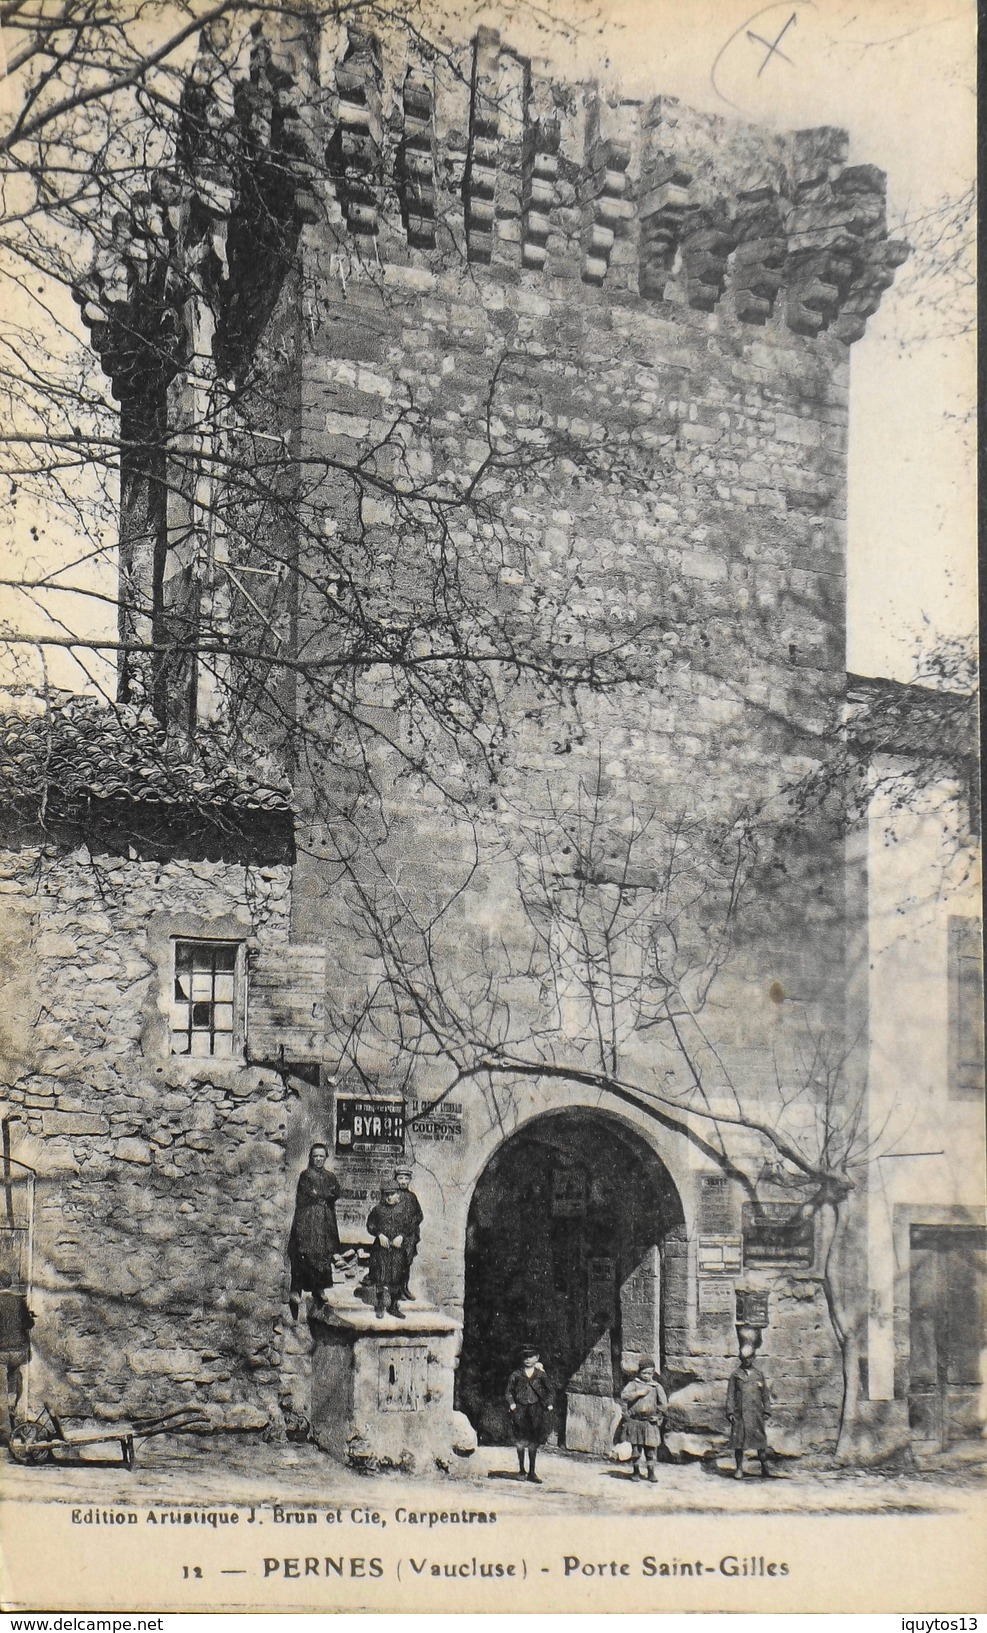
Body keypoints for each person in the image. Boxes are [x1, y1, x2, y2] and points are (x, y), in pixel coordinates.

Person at [287, 1143, 341, 1320]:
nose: (318, 1159)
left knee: (322, 1253)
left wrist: (321, 1194)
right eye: (315, 1156)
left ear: (326, 1158)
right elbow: (307, 1195)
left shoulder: (330, 1176)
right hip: (308, 1220)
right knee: (304, 1252)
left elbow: (335, 1192)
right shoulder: (305, 1175)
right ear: (311, 1157)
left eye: (321, 1156)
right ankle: (296, 1290)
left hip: (324, 1221)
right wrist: (321, 1196)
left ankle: (320, 1288)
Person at [367, 1173, 422, 1319]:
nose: (390, 1197)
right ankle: (379, 1305)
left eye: (393, 1194)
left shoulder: (403, 1211)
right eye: (387, 1194)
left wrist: (402, 1236)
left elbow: (410, 1225)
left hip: (398, 1250)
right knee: (381, 1277)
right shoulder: (377, 1210)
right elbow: (371, 1225)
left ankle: (393, 1306)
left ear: (398, 1194)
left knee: (397, 1277)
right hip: (381, 1250)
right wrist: (379, 1234)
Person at [505, 1346, 555, 1483]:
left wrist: (549, 1403)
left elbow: (550, 1391)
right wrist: (512, 1403)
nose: (527, 1359)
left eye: (531, 1356)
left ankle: (532, 1472)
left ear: (537, 1358)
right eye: (525, 1356)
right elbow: (509, 1391)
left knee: (533, 1441)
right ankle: (521, 1470)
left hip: (535, 1410)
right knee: (520, 1441)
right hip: (520, 1410)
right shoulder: (516, 1374)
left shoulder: (540, 1374)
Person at [726, 1343, 772, 1477]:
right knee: (739, 1443)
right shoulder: (736, 1375)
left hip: (755, 1413)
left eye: (749, 1358)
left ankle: (764, 1466)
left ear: (753, 1357)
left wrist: (767, 1410)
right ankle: (739, 1468)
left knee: (760, 1442)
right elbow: (730, 1395)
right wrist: (730, 1412)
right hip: (740, 1414)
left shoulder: (759, 1375)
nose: (746, 1361)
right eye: (743, 1358)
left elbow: (765, 1394)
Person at [618, 1356, 668, 1482]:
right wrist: (637, 1393)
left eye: (650, 1373)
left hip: (649, 1423)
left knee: (650, 1450)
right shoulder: (633, 1384)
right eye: (644, 1373)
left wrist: (658, 1417)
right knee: (636, 1450)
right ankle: (636, 1472)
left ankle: (651, 1472)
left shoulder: (656, 1387)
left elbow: (663, 1405)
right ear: (639, 1372)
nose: (647, 1376)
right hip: (636, 1422)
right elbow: (623, 1396)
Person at [0, 1271, 33, 1448]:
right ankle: (20, 1425)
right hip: (19, 1352)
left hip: (2, 1353)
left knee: (1, 1394)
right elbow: (29, 1324)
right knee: (15, 1389)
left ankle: (5, 1435)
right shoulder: (19, 1301)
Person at [393, 1166, 423, 1301]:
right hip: (396, 1236)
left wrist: (412, 1222)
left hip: (409, 1236)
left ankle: (404, 1287)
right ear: (396, 1179)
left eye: (406, 1178)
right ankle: (396, 1290)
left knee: (407, 1262)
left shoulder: (412, 1197)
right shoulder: (392, 1195)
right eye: (400, 1178)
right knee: (396, 1262)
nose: (403, 1181)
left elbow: (419, 1215)